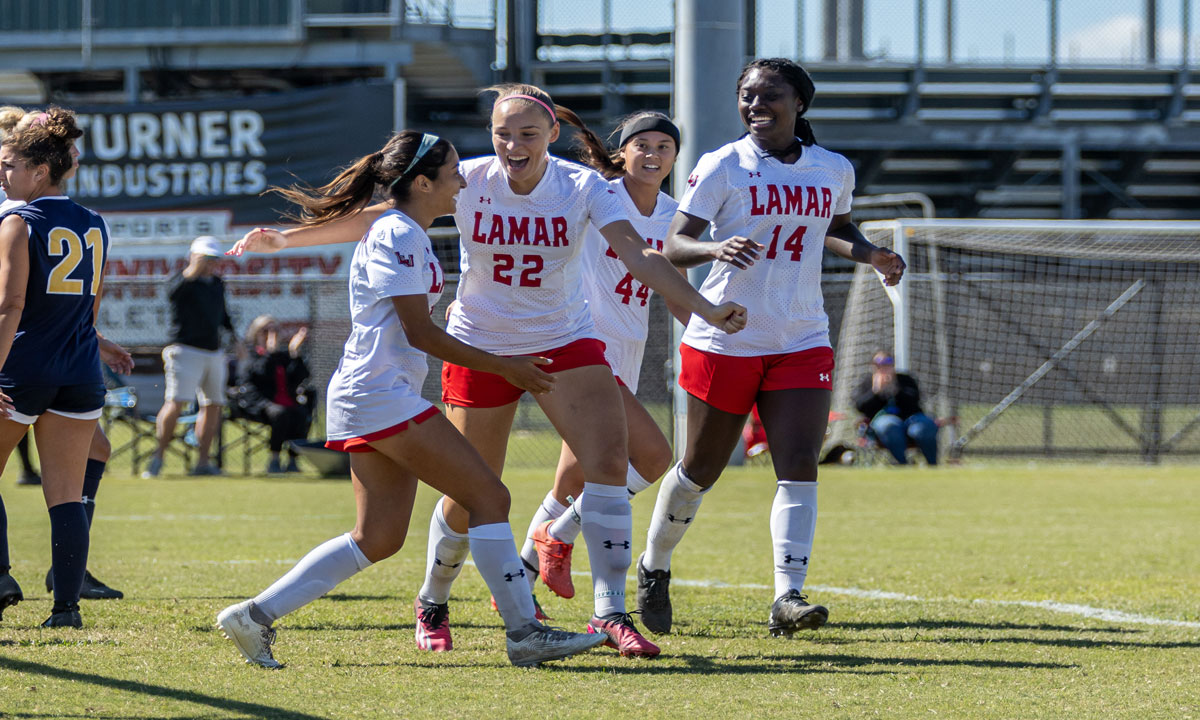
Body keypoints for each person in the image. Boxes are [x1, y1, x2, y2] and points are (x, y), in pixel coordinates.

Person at [230, 84, 747, 659]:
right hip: (475, 346)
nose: (512, 145)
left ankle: (609, 613)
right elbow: (385, 222)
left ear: (553, 136)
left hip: (561, 340)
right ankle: (435, 599)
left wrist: (703, 308)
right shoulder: (458, 184)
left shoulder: (581, 187)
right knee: (469, 496)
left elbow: (641, 254)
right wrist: (286, 240)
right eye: (503, 133)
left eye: (528, 133)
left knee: (606, 468)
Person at [218, 130, 605, 669]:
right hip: (379, 394)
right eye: (452, 173)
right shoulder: (399, 234)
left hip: (373, 393)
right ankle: (524, 633)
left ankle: (252, 617)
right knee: (489, 498)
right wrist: (505, 365)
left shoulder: (402, 227)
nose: (464, 181)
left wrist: (283, 240)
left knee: (377, 538)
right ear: (422, 183)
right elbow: (420, 333)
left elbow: (378, 250)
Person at [633, 58, 906, 638]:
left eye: (769, 95)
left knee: (800, 466)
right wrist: (712, 250)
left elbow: (835, 227)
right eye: (747, 97)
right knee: (701, 469)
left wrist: (872, 254)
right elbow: (673, 244)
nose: (756, 105)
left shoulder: (832, 168)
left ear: (800, 103)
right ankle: (654, 566)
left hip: (801, 335)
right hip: (725, 336)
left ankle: (788, 595)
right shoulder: (723, 164)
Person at [520, 111, 686, 601]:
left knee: (570, 479)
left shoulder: (675, 215)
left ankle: (517, 585)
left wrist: (710, 328)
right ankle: (561, 539)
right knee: (654, 457)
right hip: (586, 346)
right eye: (642, 145)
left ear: (675, 157)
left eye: (664, 147)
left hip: (629, 347)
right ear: (623, 152)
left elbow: (672, 289)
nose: (653, 155)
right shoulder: (599, 195)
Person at [0, 106, 128, 605]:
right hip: (78, 371)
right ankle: (67, 608)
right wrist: (97, 344)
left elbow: (10, 306)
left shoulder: (17, 221)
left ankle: (2, 578)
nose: (3, 173)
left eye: (9, 165)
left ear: (39, 171)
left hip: (24, 365)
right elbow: (86, 306)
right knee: (67, 496)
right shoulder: (95, 224)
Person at [143, 235, 236, 478]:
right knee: (176, 401)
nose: (210, 263)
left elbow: (222, 314)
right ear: (193, 256)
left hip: (213, 352)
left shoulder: (217, 283)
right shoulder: (181, 280)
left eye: (213, 259)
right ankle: (158, 458)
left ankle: (203, 462)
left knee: (213, 404)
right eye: (206, 258)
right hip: (185, 350)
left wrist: (235, 338)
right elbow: (173, 294)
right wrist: (193, 268)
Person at [234, 315, 313, 474]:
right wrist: (270, 353)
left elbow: (301, 377)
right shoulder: (250, 353)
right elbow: (259, 375)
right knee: (280, 413)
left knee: (301, 413)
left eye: (275, 330)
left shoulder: (283, 356)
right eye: (266, 330)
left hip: (287, 401)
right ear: (256, 332)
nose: (271, 334)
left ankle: (292, 460)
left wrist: (294, 353)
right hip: (259, 403)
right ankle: (274, 460)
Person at [854, 351, 938, 465]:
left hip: (910, 419)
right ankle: (903, 464)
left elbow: (915, 400)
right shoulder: (867, 382)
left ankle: (933, 465)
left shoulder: (905, 379)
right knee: (890, 426)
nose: (884, 367)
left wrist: (896, 389)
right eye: (879, 364)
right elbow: (860, 406)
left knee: (925, 426)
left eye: (888, 363)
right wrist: (876, 392)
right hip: (883, 421)